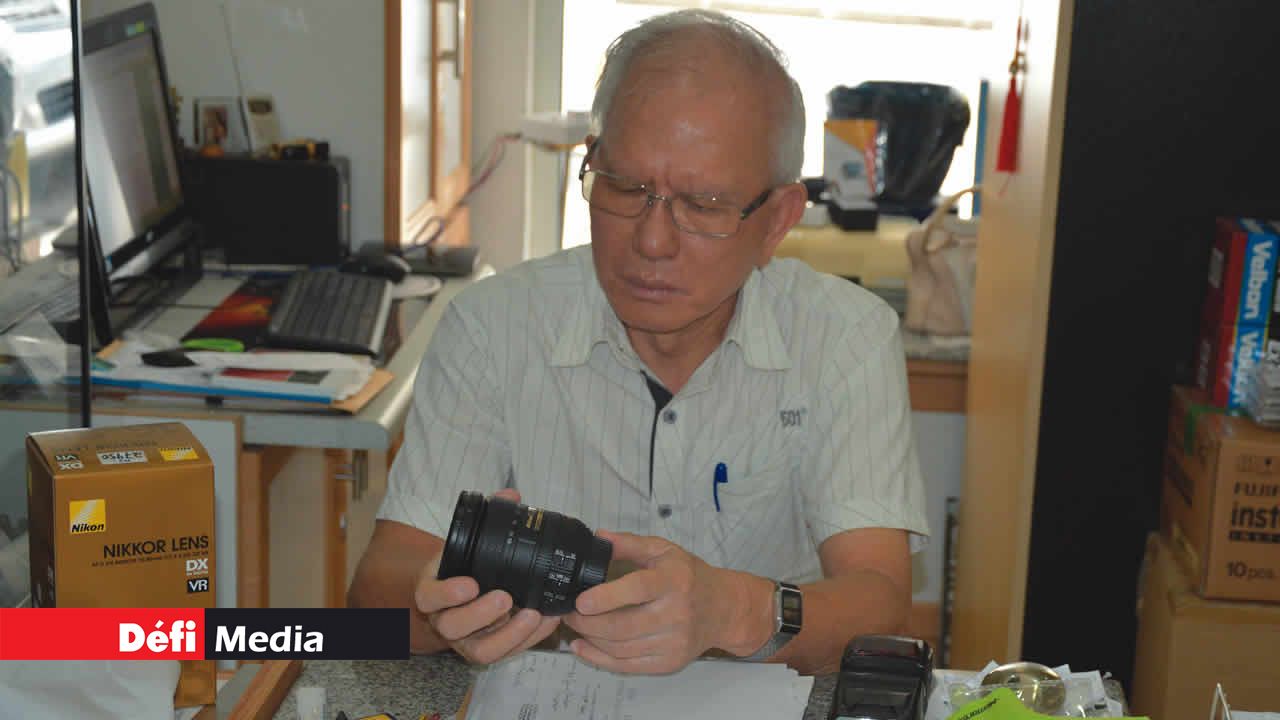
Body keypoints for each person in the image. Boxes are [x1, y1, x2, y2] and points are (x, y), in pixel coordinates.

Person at [349, 9, 928, 677]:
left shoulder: (845, 338)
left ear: (778, 220)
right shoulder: (491, 326)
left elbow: (880, 607)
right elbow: (377, 594)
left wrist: (732, 610)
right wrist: (440, 611)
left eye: (705, 206)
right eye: (625, 188)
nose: (652, 243)